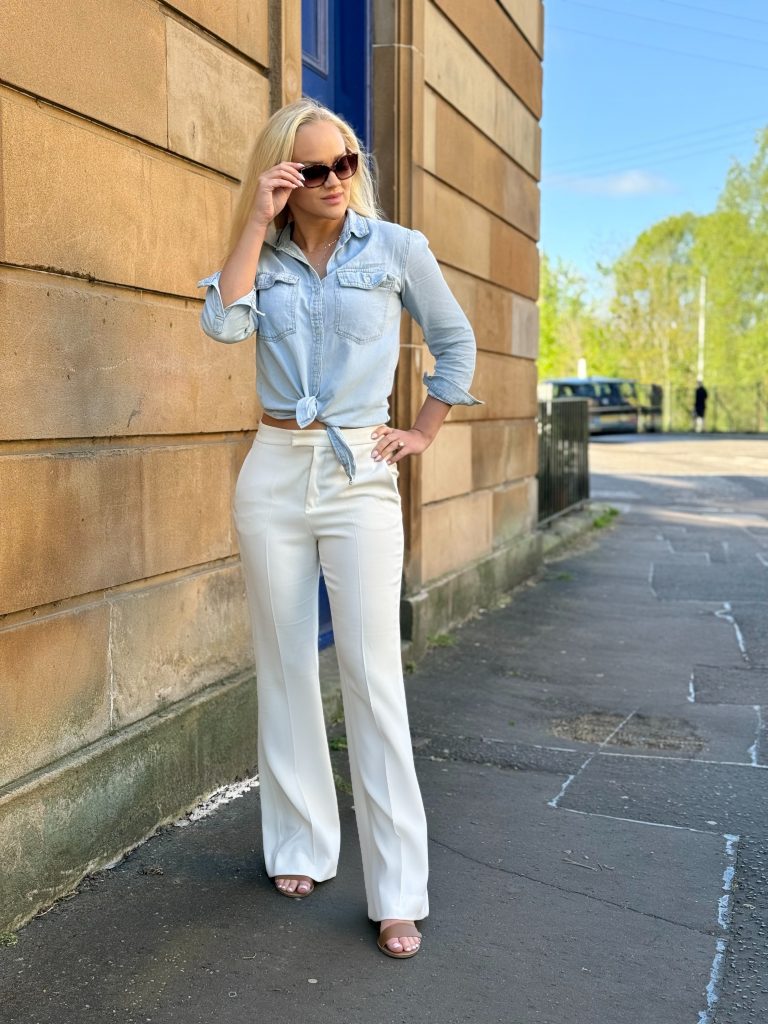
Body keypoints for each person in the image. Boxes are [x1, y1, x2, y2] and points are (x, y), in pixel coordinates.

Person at [197, 99, 479, 959]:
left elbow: (455, 343)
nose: (333, 182)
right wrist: (254, 218)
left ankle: (398, 891)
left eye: (345, 163)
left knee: (370, 674)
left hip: (359, 475)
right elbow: (223, 321)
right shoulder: (267, 253)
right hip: (274, 467)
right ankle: (300, 844)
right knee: (284, 663)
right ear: (284, 174)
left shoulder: (397, 250)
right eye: (312, 170)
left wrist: (422, 429)